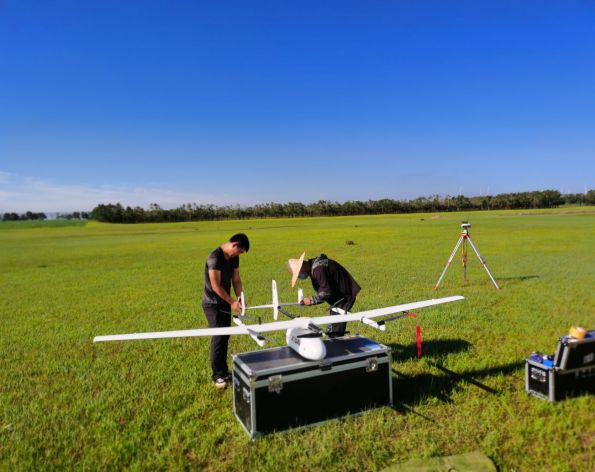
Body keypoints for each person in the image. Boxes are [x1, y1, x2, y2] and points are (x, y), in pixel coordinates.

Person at [202, 233, 250, 389]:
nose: (240, 254)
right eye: (240, 251)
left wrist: (240, 297)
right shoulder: (214, 257)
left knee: (225, 336)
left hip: (225, 302)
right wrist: (232, 302)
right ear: (234, 245)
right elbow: (215, 286)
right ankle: (217, 376)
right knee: (218, 337)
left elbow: (236, 280)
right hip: (212, 303)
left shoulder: (234, 258)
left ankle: (223, 371)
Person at [287, 252, 361, 337]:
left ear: (303, 265)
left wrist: (311, 300)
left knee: (335, 332)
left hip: (344, 297)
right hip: (340, 296)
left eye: (299, 273)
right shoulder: (315, 265)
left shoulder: (318, 270)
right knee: (333, 328)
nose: (300, 276)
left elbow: (326, 292)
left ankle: (338, 346)